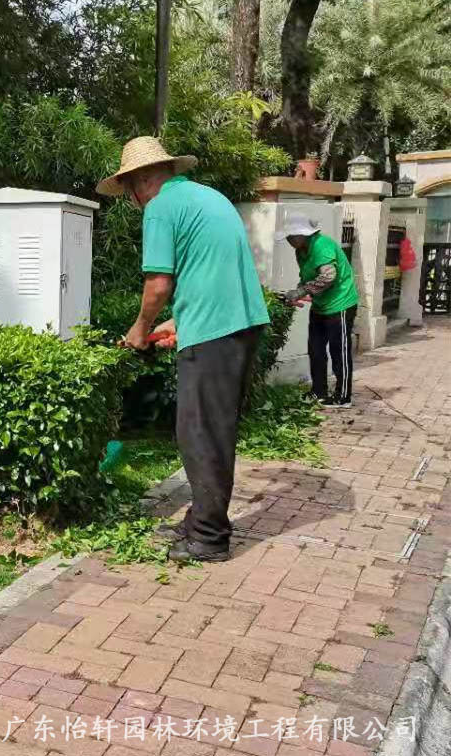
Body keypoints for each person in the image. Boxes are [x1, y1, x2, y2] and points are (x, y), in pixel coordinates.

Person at [97, 136, 270, 564]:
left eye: (129, 193)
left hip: (216, 332)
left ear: (140, 182)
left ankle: (208, 538)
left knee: (199, 432)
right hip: (241, 324)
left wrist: (140, 330)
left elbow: (159, 283)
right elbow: (211, 271)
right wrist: (180, 322)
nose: (133, 202)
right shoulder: (207, 197)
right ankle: (202, 520)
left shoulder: (160, 208)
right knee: (213, 427)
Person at [277, 215, 359, 408]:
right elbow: (306, 279)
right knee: (315, 350)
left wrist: (301, 291)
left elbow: (328, 277)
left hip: (341, 303)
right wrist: (296, 293)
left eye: (291, 237)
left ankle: (343, 396)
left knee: (339, 351)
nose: (288, 241)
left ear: (302, 235)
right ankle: (319, 392)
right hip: (321, 305)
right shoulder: (301, 251)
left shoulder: (322, 245)